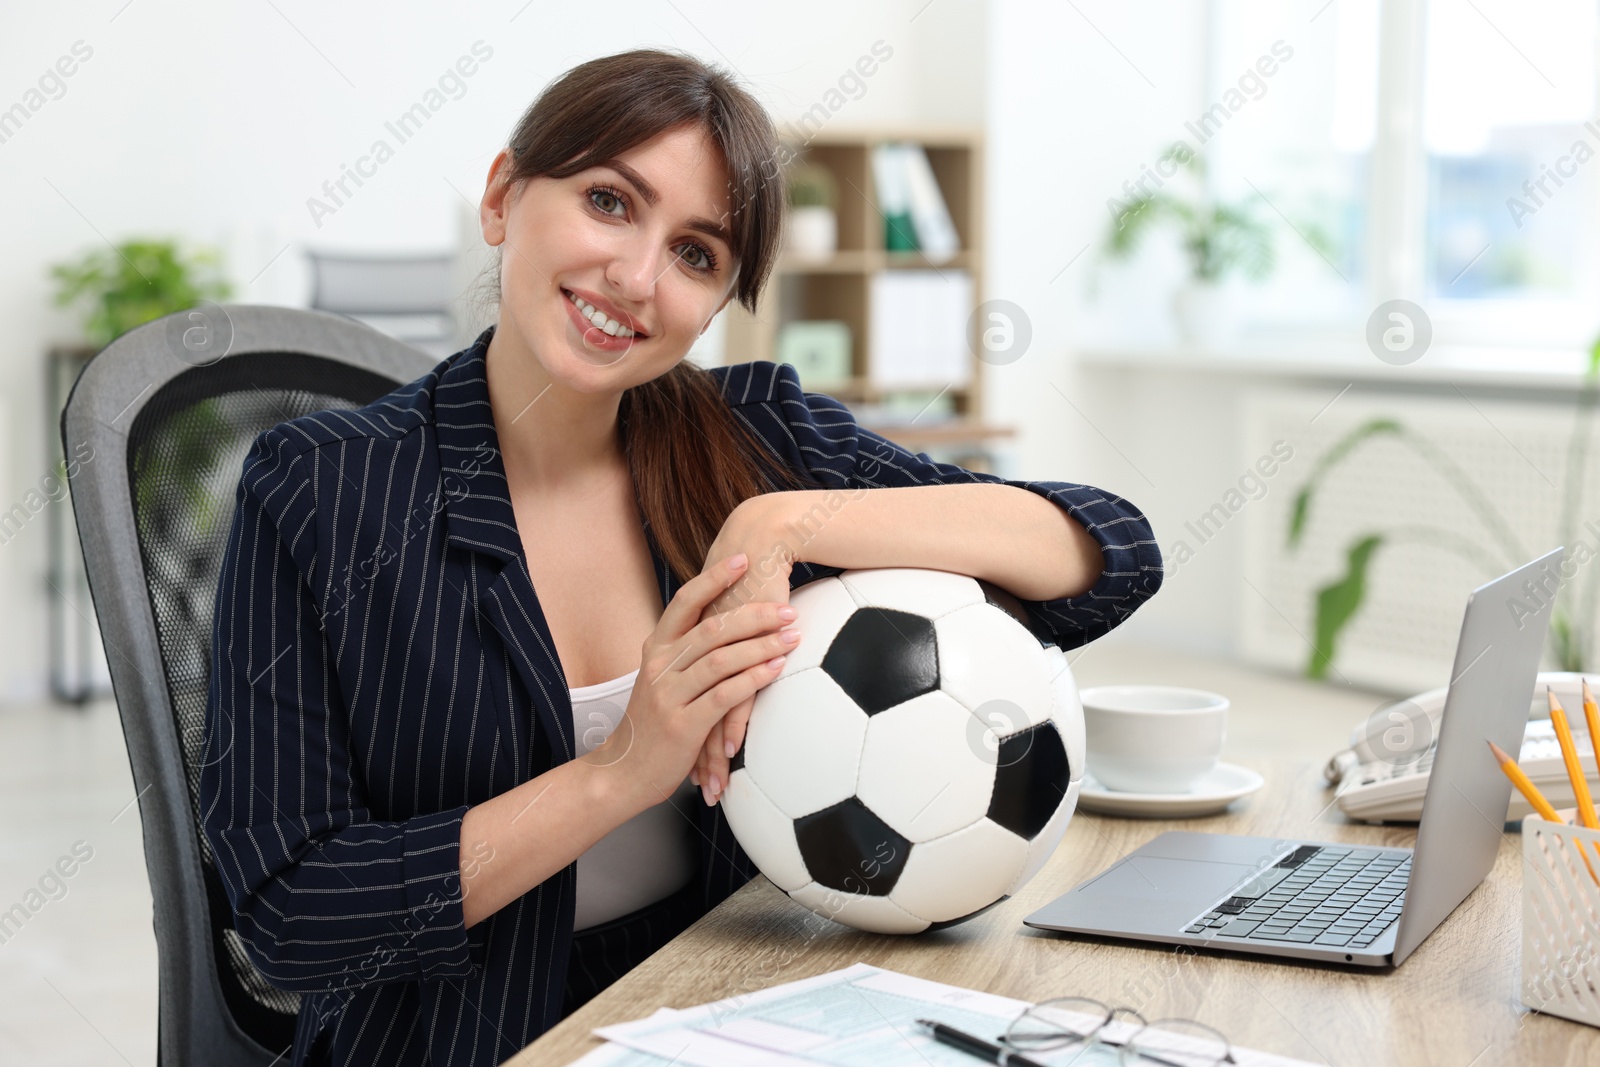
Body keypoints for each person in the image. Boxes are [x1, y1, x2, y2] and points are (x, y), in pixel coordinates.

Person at [199, 47, 1163, 1067]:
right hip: (451, 1040)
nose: (637, 277)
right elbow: (290, 914)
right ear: (501, 197)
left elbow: (1109, 548)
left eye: (697, 254)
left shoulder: (753, 435)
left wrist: (783, 526)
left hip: (718, 1006)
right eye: (609, 202)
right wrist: (620, 770)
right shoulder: (317, 485)